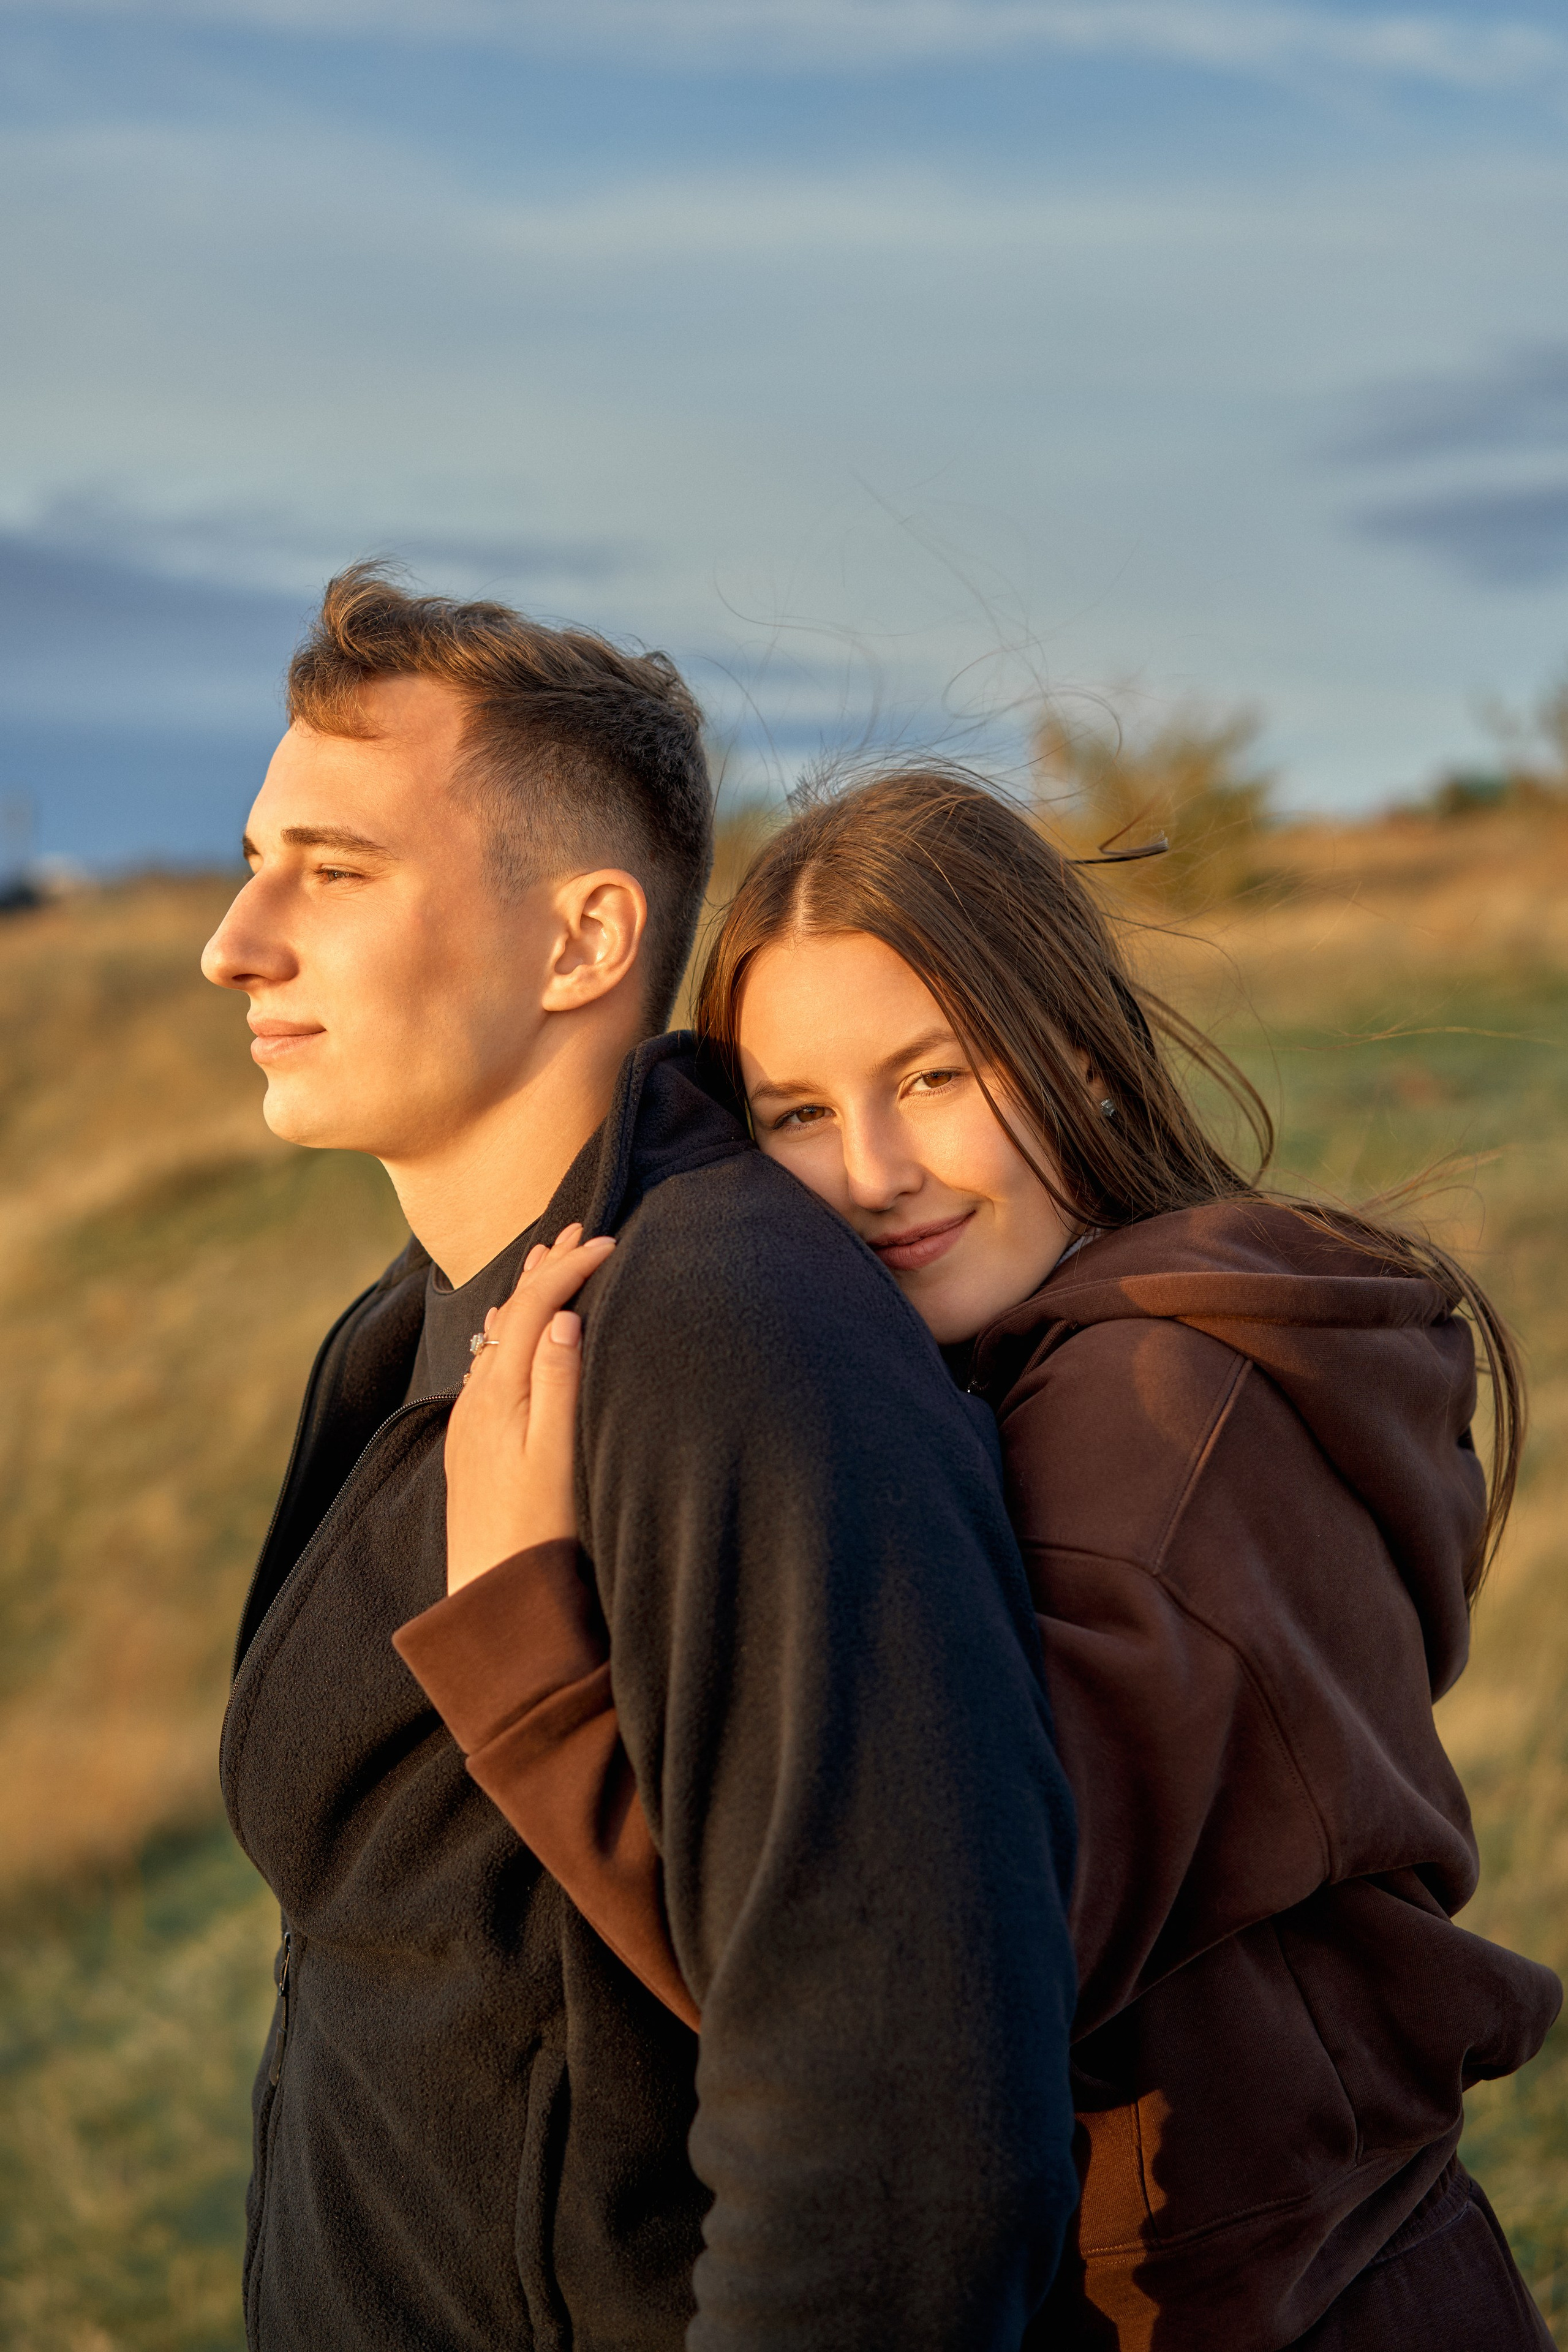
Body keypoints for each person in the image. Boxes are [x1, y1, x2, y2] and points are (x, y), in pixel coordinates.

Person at [425, 769, 1562, 2352]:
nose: (874, 1169)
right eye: (797, 1115)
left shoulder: (1173, 1413)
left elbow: (929, 1975)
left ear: (1076, 1056)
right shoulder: (1021, 1370)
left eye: (935, 1075)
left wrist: (525, 1655)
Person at [202, 571, 1080, 2352]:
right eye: (254, 862)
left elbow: (894, 2152)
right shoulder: (406, 1326)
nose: (236, 942)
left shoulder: (724, 1332)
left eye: (335, 871)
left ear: (582, 942)